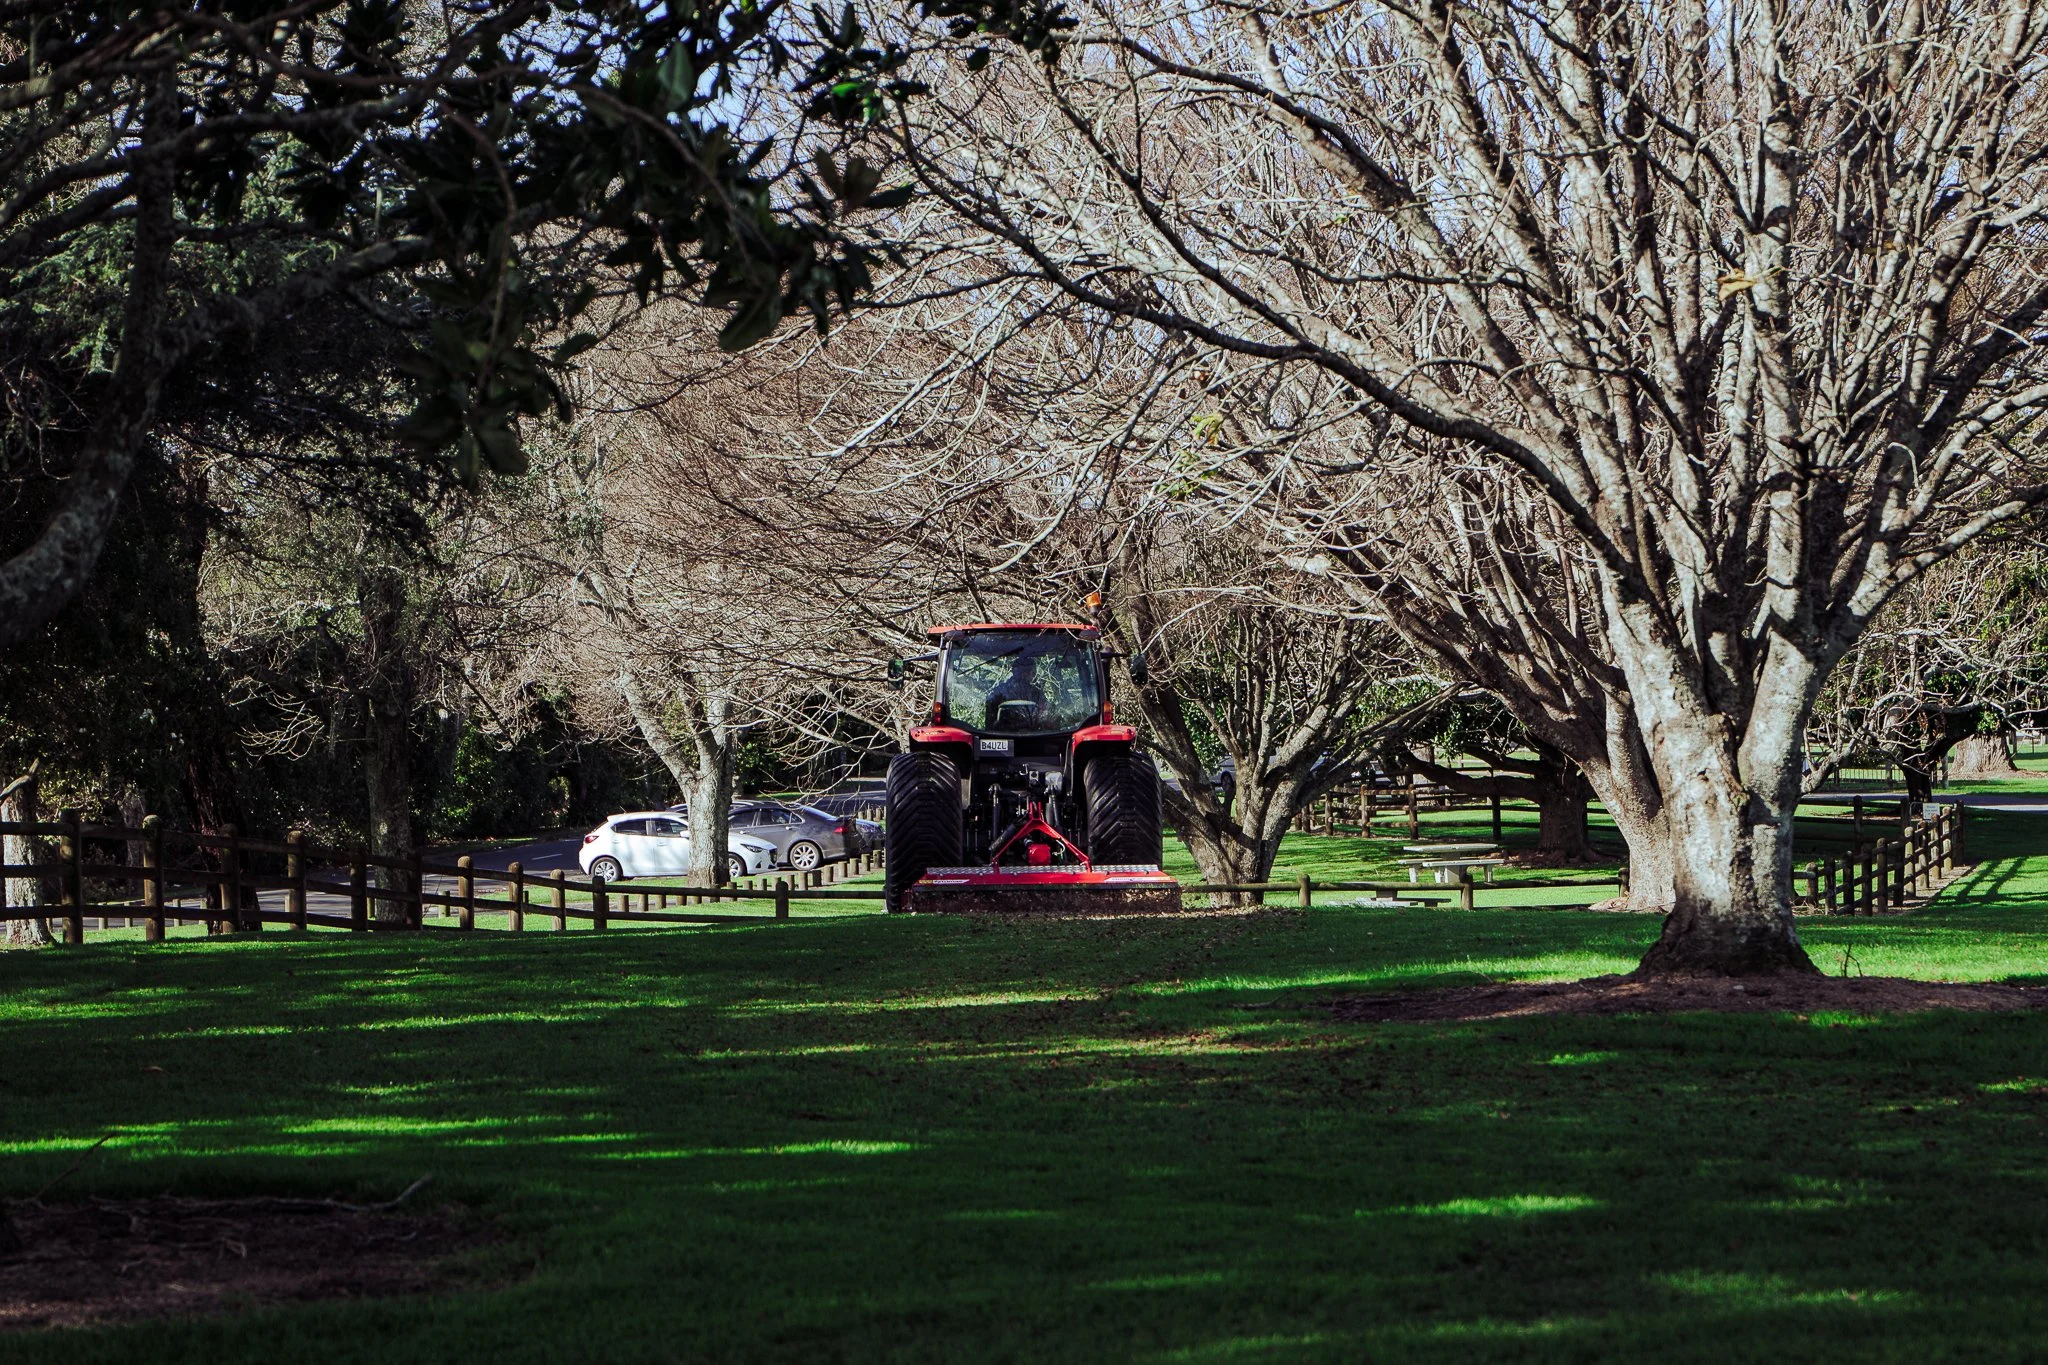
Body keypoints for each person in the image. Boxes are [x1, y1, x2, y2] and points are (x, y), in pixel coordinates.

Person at [983, 654, 1046, 731]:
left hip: (1004, 735)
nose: (1031, 675)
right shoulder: (1036, 692)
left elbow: (989, 723)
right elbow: (1044, 715)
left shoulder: (998, 691)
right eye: (1031, 672)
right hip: (1004, 734)